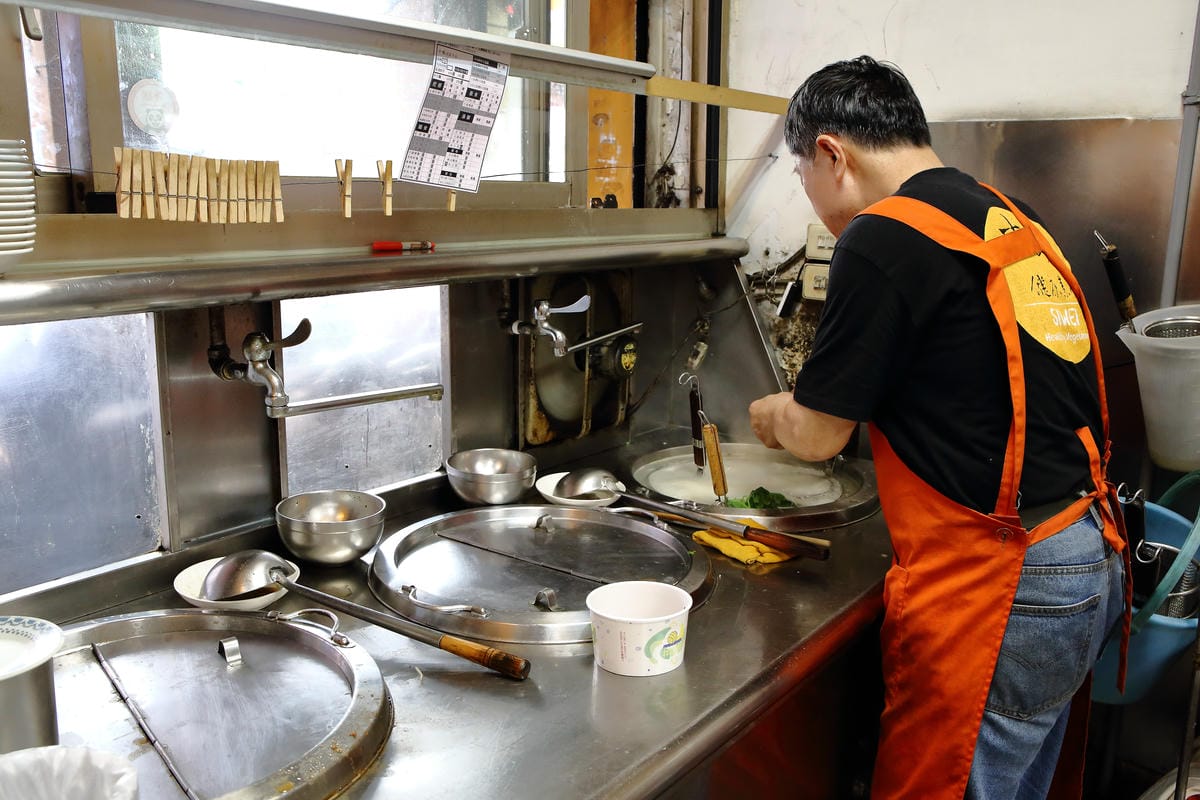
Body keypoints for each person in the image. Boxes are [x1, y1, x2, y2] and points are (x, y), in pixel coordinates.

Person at [748, 56, 1131, 800]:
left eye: (803, 180)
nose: (815, 206)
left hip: (1003, 584)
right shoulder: (1009, 218)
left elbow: (821, 434)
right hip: (1086, 554)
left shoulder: (882, 235)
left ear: (832, 154)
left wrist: (775, 414)